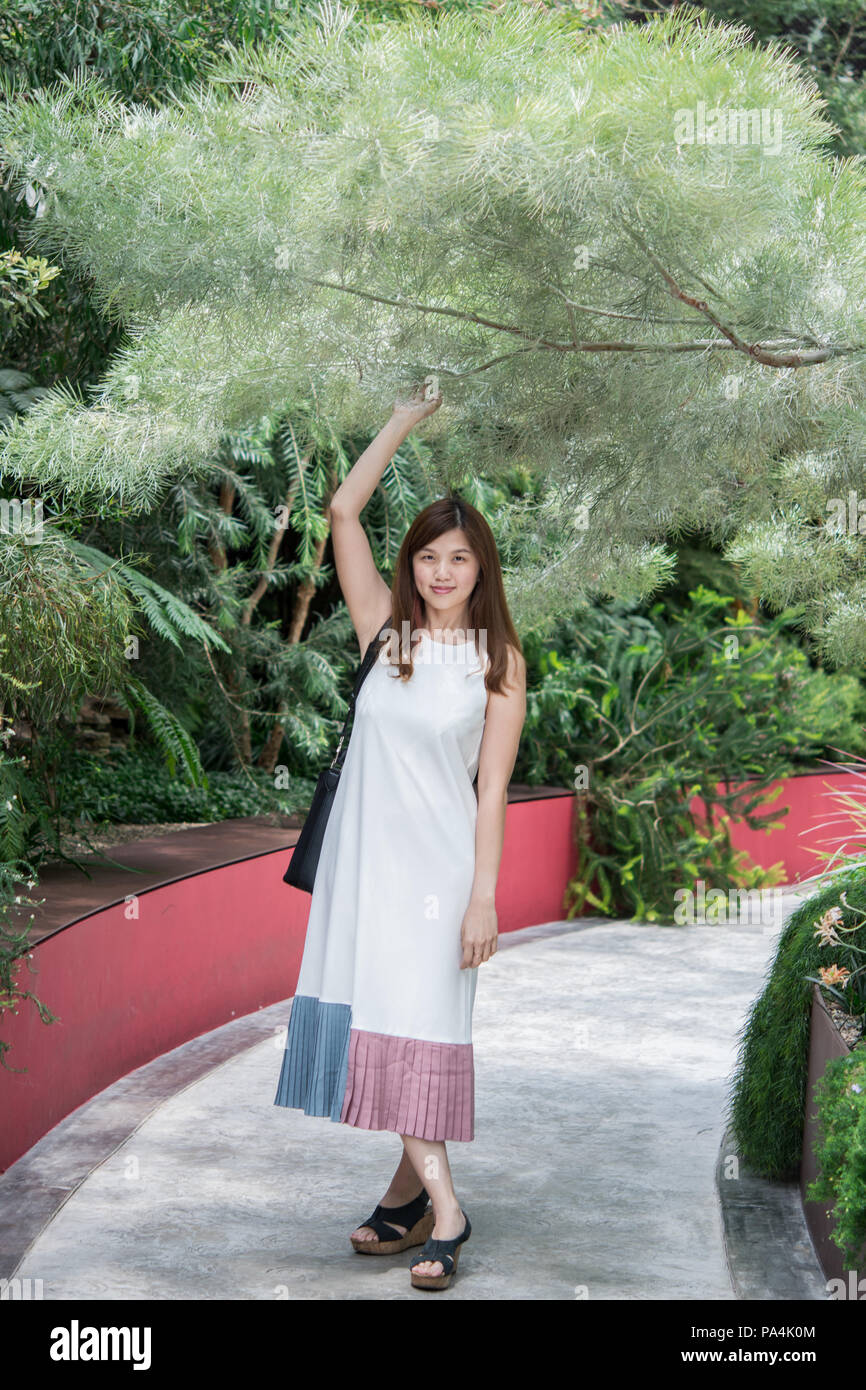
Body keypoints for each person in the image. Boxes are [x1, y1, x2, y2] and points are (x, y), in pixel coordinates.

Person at [273, 382, 527, 1290]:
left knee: (414, 1026)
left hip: (441, 878)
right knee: (383, 1028)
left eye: (459, 558)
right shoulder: (386, 632)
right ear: (412, 564)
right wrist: (405, 418)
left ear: (481, 568)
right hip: (365, 874)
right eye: (429, 556)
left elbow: (492, 788)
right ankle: (410, 1194)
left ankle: (446, 1212)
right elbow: (343, 507)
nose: (442, 572)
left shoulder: (499, 662)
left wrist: (484, 897)